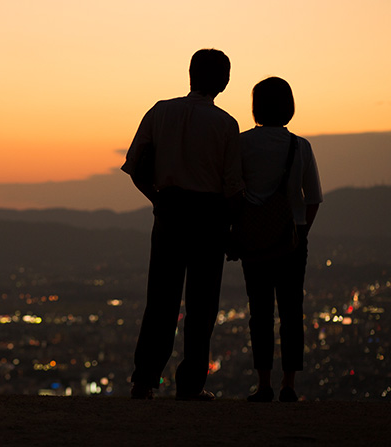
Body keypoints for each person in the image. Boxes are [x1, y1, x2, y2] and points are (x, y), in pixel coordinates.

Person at [122, 49, 244, 400]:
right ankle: (191, 385)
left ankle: (144, 380)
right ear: (224, 82)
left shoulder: (160, 111)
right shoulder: (225, 124)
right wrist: (233, 227)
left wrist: (158, 198)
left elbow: (135, 165)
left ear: (190, 75)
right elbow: (232, 186)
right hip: (210, 217)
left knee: (161, 298)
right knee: (202, 304)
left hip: (170, 211)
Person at [239, 77, 322, 403]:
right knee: (291, 311)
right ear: (288, 107)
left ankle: (263, 385)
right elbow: (313, 197)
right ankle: (288, 384)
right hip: (292, 241)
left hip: (254, 241)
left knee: (259, 311)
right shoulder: (300, 146)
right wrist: (300, 233)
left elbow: (233, 190)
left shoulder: (242, 144)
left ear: (256, 107)